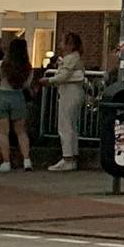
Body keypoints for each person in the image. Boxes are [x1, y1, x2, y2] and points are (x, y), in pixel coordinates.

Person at [44, 32, 89, 171]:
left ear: (70, 44)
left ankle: (67, 157)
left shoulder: (70, 58)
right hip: (73, 92)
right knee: (71, 125)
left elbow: (64, 75)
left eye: (63, 42)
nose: (60, 45)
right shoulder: (75, 58)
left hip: (69, 93)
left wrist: (49, 80)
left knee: (65, 125)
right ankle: (71, 156)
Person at [0, 34, 34, 171]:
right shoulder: (27, 67)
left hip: (2, 97)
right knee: (21, 132)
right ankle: (27, 160)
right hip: (18, 97)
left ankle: (6, 162)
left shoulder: (2, 65)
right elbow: (27, 84)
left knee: (3, 132)